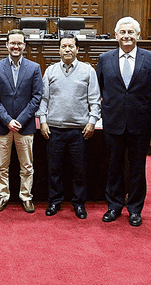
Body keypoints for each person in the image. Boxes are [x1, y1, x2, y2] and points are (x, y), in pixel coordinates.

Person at [96, 17, 151, 227]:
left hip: (139, 121)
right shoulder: (104, 59)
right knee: (113, 166)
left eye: (130, 32)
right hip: (113, 121)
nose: (126, 36)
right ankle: (114, 206)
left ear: (138, 35)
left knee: (137, 167)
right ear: (116, 35)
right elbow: (100, 88)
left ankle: (135, 209)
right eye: (122, 32)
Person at [36, 34, 100, 218]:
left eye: (71, 46)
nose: (67, 50)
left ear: (77, 49)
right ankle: (54, 202)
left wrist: (92, 121)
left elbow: (94, 100)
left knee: (79, 170)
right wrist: (43, 121)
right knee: (54, 169)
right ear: (59, 49)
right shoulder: (50, 71)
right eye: (64, 46)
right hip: (54, 129)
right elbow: (44, 99)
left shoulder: (88, 71)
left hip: (79, 130)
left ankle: (79, 203)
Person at [0, 29, 42, 213]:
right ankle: (2, 196)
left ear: (24, 46)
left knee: (27, 166)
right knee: (1, 166)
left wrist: (19, 120)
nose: (16, 46)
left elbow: (36, 97)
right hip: (3, 126)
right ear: (7, 45)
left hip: (25, 126)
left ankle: (26, 196)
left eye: (19, 43)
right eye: (12, 43)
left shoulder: (34, 68)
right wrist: (8, 120)